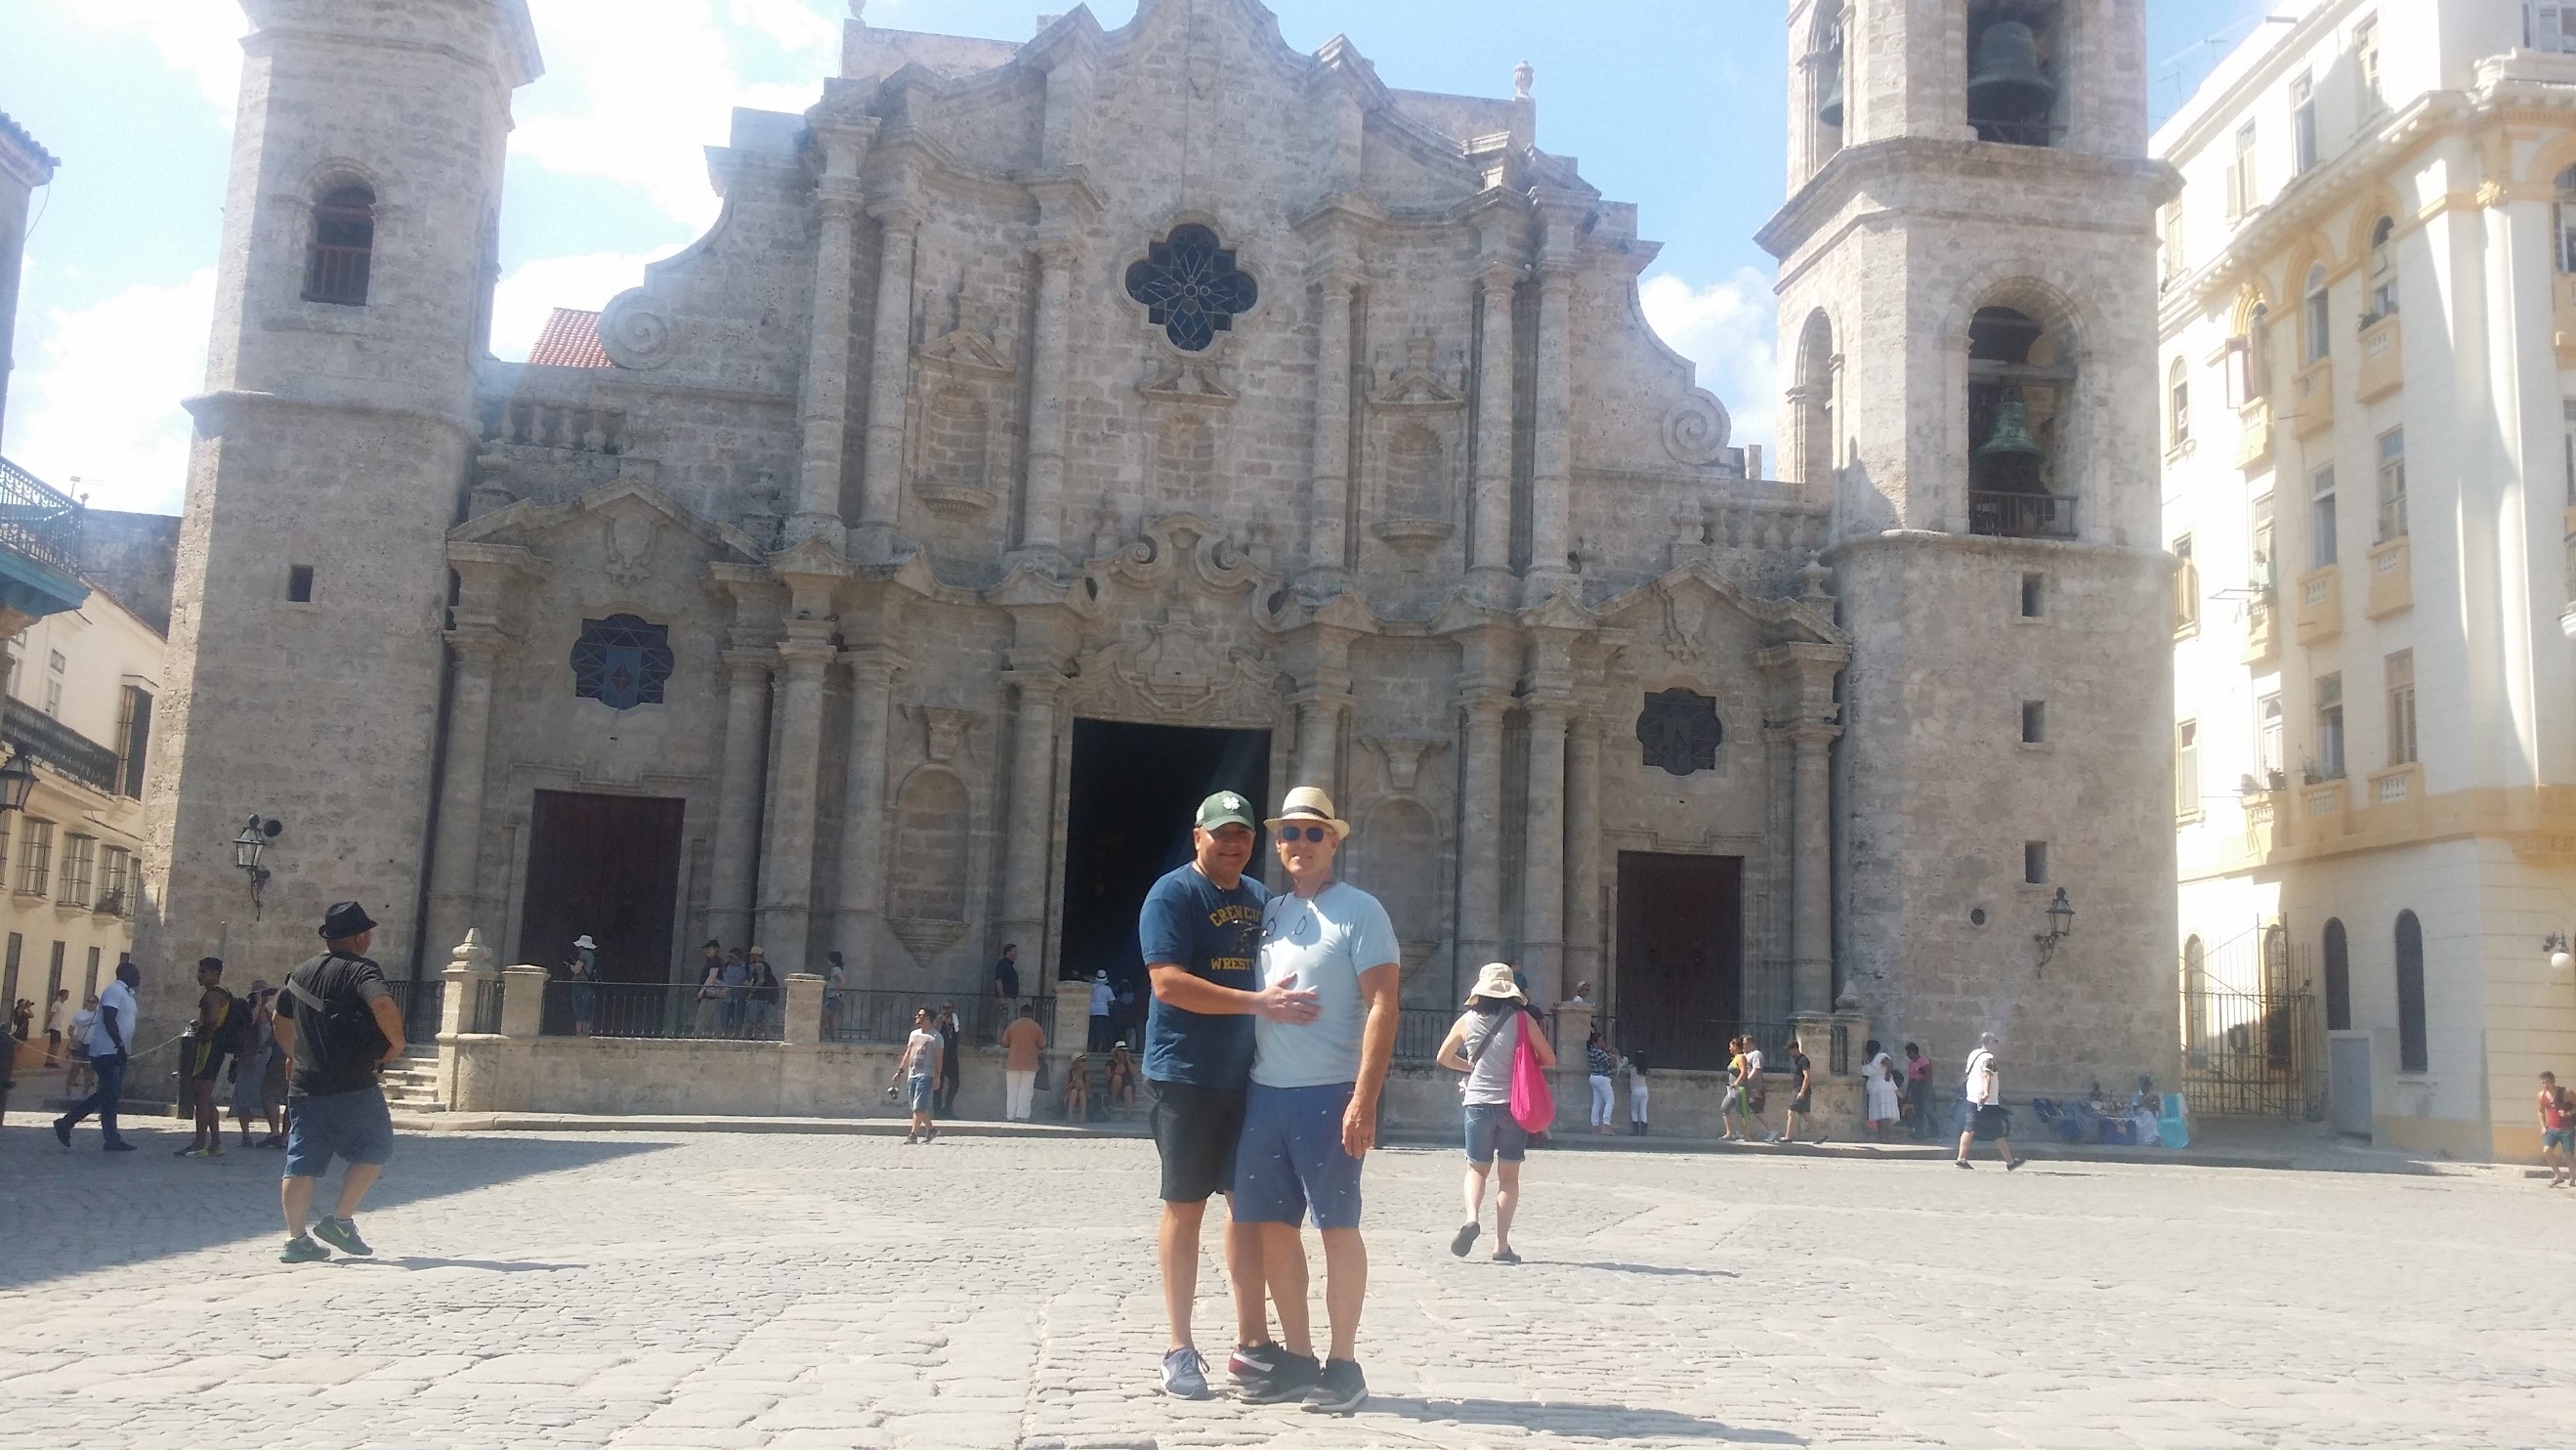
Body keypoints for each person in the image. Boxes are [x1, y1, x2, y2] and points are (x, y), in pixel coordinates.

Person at [1138, 789, 1310, 1401]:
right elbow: (1167, 983)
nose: (1233, 843)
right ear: (1198, 837)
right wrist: (1256, 1003)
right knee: (1185, 1207)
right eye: (1221, 834)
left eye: (1242, 834)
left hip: (1249, 1077)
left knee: (1249, 1208)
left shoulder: (1262, 900)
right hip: (1185, 1073)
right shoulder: (1173, 894)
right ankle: (1179, 1347)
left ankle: (1250, 1345)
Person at [1235, 785, 1401, 1414]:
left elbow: (1384, 1002)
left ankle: (1345, 1363)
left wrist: (1364, 1096)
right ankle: (1300, 1359)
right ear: (1277, 845)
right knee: (1275, 1229)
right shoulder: (1270, 910)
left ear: (1334, 840)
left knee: (1338, 1227)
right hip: (1266, 1092)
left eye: (1313, 832)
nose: (1299, 843)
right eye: (1289, 833)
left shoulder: (1361, 911)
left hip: (1328, 1093)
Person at [274, 901, 407, 1261]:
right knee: (375, 1147)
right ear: (361, 936)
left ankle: (296, 1239)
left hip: (304, 1084)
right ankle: (340, 1220)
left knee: (301, 1159)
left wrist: (292, 1055)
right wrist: (397, 1044)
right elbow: (381, 1004)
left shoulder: (300, 972)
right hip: (352, 1082)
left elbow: (279, 1018)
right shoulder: (360, 971)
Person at [1434, 962, 1556, 1266]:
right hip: (1513, 1107)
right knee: (1509, 1178)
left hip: (1476, 1104)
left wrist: (1470, 1067)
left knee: (1476, 1170)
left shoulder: (1466, 1021)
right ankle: (1501, 1245)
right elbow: (1549, 1059)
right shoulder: (1522, 1020)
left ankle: (1471, 1218)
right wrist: (1523, 1065)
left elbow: (1443, 1057)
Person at [54, 960, 140, 1152]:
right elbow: (109, 1018)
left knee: (111, 1095)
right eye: (135, 974)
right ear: (125, 973)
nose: (138, 977)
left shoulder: (127, 995)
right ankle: (67, 1122)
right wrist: (118, 1044)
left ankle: (111, 1138)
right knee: (108, 1092)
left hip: (118, 1051)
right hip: (107, 1051)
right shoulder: (113, 991)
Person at [180, 958, 246, 1158]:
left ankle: (200, 1142)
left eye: (204, 972)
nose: (200, 975)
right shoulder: (224, 993)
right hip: (215, 1047)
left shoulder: (212, 996)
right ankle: (215, 1143)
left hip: (209, 1047)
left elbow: (212, 1021)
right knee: (205, 1095)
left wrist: (202, 1034)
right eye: (199, 971)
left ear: (216, 973)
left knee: (201, 1093)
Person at [231, 982, 285, 1148]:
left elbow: (273, 1035)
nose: (266, 997)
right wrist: (257, 1004)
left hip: (266, 1060)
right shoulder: (247, 1011)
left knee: (267, 1096)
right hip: (248, 1060)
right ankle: (246, 1135)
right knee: (244, 1097)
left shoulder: (269, 1014)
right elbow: (249, 1024)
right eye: (263, 993)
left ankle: (274, 1132)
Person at [1957, 1033, 2022, 1171]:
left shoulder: (1973, 1054)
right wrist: (1986, 1093)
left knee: (1969, 1128)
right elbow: (1987, 1075)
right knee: (1997, 1131)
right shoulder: (1989, 1058)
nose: (1997, 1045)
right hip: (1987, 1101)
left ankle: (1961, 1158)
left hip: (1972, 1097)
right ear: (1990, 1042)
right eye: (1996, 1042)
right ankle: (2010, 1162)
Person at [892, 1004, 942, 1144]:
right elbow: (908, 1053)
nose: (917, 1018)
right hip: (912, 1074)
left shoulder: (936, 1037)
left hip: (926, 1075)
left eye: (920, 1016)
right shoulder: (914, 1034)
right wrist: (900, 1071)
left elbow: (939, 1058)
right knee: (917, 1105)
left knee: (918, 1106)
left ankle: (913, 1134)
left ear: (928, 1019)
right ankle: (931, 1129)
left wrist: (937, 1076)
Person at [1001, 1002, 1046, 1122]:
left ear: (1020, 1013)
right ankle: (1023, 1115)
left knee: (1012, 1090)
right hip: (1030, 1063)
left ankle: (1011, 1116)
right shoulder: (1036, 1027)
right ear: (1031, 1014)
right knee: (1026, 1091)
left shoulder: (1013, 1025)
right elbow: (1042, 1044)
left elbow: (1005, 1042)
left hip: (1013, 1062)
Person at [1770, 1036, 1820, 1144]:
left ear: (1794, 1049)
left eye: (1789, 1050)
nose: (1789, 1053)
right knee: (1804, 1113)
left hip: (1800, 1089)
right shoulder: (1797, 1060)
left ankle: (1788, 1137)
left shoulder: (1803, 1060)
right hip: (1798, 1089)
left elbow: (1807, 1077)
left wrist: (1802, 1092)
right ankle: (1822, 1135)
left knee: (1791, 1111)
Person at [2539, 1071, 2574, 1188]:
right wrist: (2543, 1126)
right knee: (2546, 1150)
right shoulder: (2541, 1095)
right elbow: (2540, 1111)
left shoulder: (2566, 1092)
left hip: (2567, 1128)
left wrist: (2568, 1113)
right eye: (2543, 1083)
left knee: (2568, 1154)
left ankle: (2573, 1178)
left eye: (2546, 1083)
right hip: (2552, 1128)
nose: (2544, 1085)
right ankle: (2558, 1176)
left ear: (2552, 1081)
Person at [1863, 1039, 1902, 1142]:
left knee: (1883, 1114)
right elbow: (1889, 1065)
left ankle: (1884, 1136)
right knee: (1883, 1114)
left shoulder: (1878, 1057)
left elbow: (1889, 1064)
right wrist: (1887, 1076)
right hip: (1879, 1087)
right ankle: (1884, 1136)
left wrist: (1887, 1075)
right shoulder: (1870, 1059)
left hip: (1881, 1086)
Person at [62, 993, 98, 1097]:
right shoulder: (79, 1014)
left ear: (97, 1004)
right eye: (89, 1001)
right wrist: (74, 1040)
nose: (91, 1004)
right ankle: (68, 1090)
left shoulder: (100, 1016)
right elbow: (70, 1030)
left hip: (92, 1045)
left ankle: (85, 1092)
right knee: (75, 1067)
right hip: (79, 1044)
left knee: (89, 1069)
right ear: (86, 1003)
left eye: (93, 1002)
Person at [1584, 1031, 1617, 1134]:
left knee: (1597, 1102)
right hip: (1603, 1078)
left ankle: (1595, 1125)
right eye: (1601, 1041)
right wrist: (1614, 1057)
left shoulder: (1592, 1051)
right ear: (1595, 1042)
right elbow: (1608, 1065)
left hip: (1594, 1076)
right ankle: (1606, 1124)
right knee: (1610, 1101)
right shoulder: (1599, 1052)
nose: (1603, 1043)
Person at [692, 941, 727, 1037]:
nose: (706, 951)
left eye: (709, 948)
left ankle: (698, 1037)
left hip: (710, 995)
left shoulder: (715, 961)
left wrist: (702, 989)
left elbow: (712, 976)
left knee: (702, 1019)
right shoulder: (715, 961)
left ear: (715, 949)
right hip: (712, 995)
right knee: (713, 1019)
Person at [935, 1001, 963, 1117]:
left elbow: (961, 1033)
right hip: (940, 1056)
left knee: (955, 1083)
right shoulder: (939, 1021)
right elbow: (934, 1032)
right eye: (945, 1007)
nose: (947, 1010)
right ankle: (937, 1110)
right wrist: (942, 1022)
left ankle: (947, 1108)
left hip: (951, 1056)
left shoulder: (955, 1022)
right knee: (938, 1084)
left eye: (949, 1008)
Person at [568, 934, 599, 1036]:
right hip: (589, 985)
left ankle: (579, 1033)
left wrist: (569, 966)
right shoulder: (592, 955)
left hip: (580, 985)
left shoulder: (584, 954)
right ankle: (586, 1033)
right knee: (587, 1009)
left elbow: (577, 970)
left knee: (578, 1008)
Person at [1717, 1035, 1748, 1141]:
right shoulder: (1735, 1058)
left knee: (1743, 1111)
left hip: (1740, 1088)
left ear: (1735, 1046)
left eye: (1731, 1046)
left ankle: (1747, 1134)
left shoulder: (1741, 1057)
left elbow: (1744, 1072)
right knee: (1725, 1108)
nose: (1729, 1048)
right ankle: (1729, 1133)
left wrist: (1737, 1083)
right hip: (1733, 1090)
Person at [1904, 1041, 1935, 1140]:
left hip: (1923, 1086)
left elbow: (1928, 1076)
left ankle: (1935, 1131)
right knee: (1918, 1112)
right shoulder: (1911, 1064)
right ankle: (1919, 1133)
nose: (1908, 1055)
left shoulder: (1923, 1061)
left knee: (1928, 1110)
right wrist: (1908, 1092)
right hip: (1915, 1087)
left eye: (1909, 1053)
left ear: (1914, 1052)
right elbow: (1911, 1079)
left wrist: (1925, 1089)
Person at [746, 950, 781, 1039]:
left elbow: (761, 980)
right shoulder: (766, 966)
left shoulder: (759, 965)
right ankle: (768, 1038)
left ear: (756, 956)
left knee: (750, 1019)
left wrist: (752, 989)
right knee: (764, 1021)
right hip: (768, 997)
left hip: (761, 997)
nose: (750, 958)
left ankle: (741, 1037)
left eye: (752, 956)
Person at [718, 948, 750, 1037]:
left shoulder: (746, 967)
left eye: (731, 956)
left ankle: (736, 1037)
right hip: (726, 997)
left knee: (738, 1020)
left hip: (739, 997)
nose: (729, 959)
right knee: (724, 1020)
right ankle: (723, 1036)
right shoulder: (726, 966)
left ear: (738, 957)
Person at [1105, 1042, 1138, 1119]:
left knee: (1128, 1088)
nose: (1123, 1053)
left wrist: (1128, 1060)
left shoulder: (1131, 1062)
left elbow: (1135, 1074)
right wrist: (1115, 1072)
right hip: (1115, 1085)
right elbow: (1107, 1076)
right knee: (1117, 1078)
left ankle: (1129, 1114)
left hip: (1127, 1084)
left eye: (1125, 1051)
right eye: (1121, 1051)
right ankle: (1113, 1100)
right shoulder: (1111, 1062)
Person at [1088, 968, 1117, 1053]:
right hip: (1103, 1012)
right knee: (1101, 1032)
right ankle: (1098, 1051)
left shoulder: (1090, 987)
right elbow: (1112, 1002)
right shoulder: (1108, 989)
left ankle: (1090, 1049)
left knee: (1091, 1032)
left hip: (1091, 1011)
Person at [41, 986, 68, 1068]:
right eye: (67, 994)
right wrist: (47, 1024)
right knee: (54, 1044)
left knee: (55, 1044)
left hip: (58, 1027)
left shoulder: (62, 1005)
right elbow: (51, 1014)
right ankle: (50, 1061)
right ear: (63, 995)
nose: (68, 996)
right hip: (54, 1027)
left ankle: (51, 1060)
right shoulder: (57, 1004)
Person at [822, 952, 848, 1039]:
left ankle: (819, 1039)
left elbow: (843, 981)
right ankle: (835, 1041)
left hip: (832, 997)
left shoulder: (836, 970)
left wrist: (838, 993)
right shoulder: (838, 969)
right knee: (832, 1022)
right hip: (834, 998)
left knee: (822, 1021)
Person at [1626, 1045, 1650, 1136]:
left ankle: (1636, 1131)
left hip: (1635, 1091)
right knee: (1643, 1110)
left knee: (1634, 1110)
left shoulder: (1632, 1068)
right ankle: (1644, 1131)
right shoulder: (1645, 1070)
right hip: (1644, 1090)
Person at [1062, 1051, 1091, 1121]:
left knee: (1082, 1092)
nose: (1083, 1063)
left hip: (1082, 1096)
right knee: (1074, 1091)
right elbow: (1065, 1089)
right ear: (1076, 1062)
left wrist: (1082, 1085)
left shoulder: (1086, 1074)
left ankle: (1082, 1116)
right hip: (1070, 1096)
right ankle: (1070, 1115)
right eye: (1082, 1061)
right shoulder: (1069, 1073)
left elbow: (1088, 1090)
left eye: (1084, 1061)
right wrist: (1073, 1082)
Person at [993, 942, 1021, 1009]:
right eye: (1014, 951)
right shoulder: (1002, 964)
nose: (1016, 953)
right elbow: (998, 980)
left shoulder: (1009, 965)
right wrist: (1002, 997)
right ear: (1008, 952)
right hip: (1006, 999)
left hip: (1010, 998)